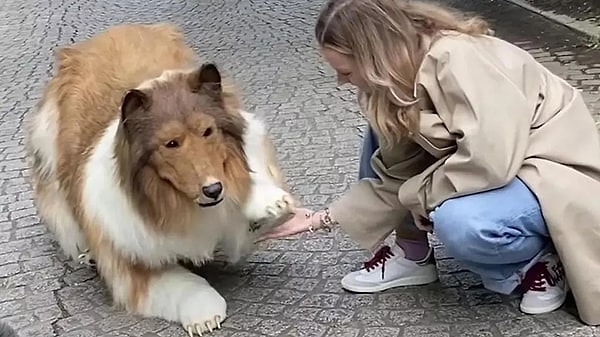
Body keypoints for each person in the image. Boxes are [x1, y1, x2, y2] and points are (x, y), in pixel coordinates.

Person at [259, 0, 600, 325]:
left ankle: (538, 260)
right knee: (382, 135)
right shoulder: (393, 83)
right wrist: (321, 219)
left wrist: (421, 195)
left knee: (461, 223)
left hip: (553, 170)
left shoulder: (460, 58)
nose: (341, 81)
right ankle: (412, 254)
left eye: (346, 71)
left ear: (374, 56)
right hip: (505, 170)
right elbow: (393, 175)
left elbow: (490, 161)